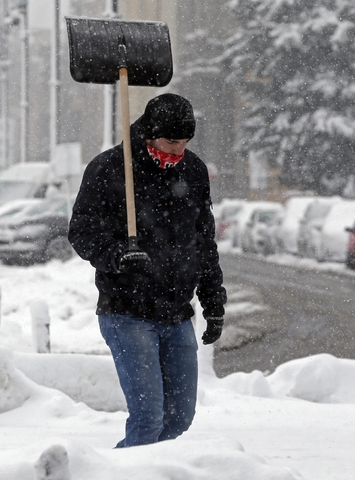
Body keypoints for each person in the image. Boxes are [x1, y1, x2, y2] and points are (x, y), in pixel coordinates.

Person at [68, 93, 227, 448]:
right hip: (127, 312)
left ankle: (146, 470)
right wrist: (116, 254)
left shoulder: (193, 171)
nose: (178, 150)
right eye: (172, 141)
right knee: (148, 420)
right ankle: (107, 474)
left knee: (178, 420)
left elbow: (204, 243)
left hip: (177, 312)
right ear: (151, 133)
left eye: (185, 142)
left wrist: (213, 301)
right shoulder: (111, 168)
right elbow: (81, 233)